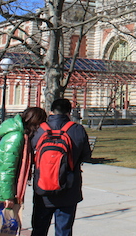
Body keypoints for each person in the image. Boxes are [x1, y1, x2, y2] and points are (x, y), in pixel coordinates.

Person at [31, 98, 91, 236]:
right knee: (64, 230)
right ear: (69, 112)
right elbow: (86, 155)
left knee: (39, 229)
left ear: (51, 111)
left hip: (43, 188)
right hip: (68, 189)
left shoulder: (40, 129)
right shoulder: (77, 130)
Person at [0, 107, 48, 214]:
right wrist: (7, 197)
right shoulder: (16, 137)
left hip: (0, 188)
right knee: (2, 228)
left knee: (3, 228)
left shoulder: (18, 135)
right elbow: (8, 169)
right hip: (0, 191)